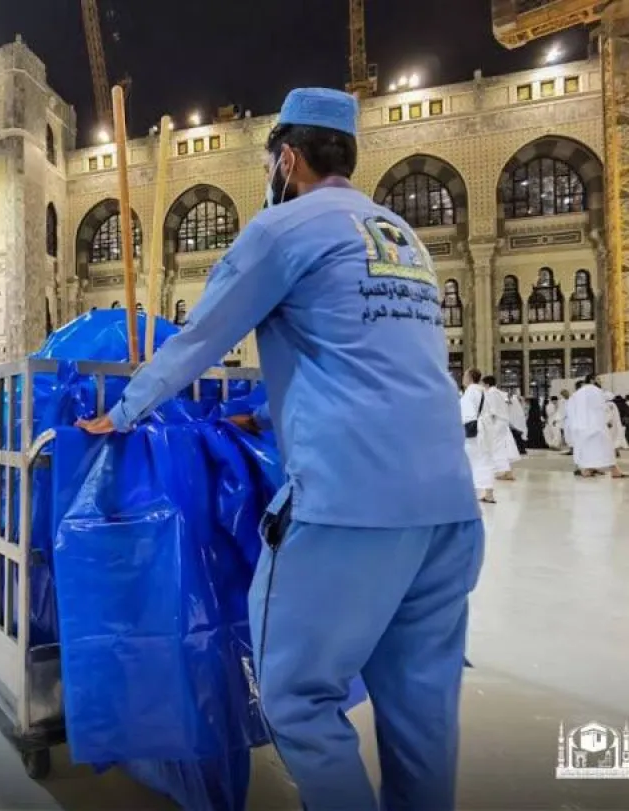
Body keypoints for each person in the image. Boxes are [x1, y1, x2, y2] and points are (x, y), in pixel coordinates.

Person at [74, 89, 484, 811]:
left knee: (295, 697)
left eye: (271, 161)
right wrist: (268, 413)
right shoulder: (402, 238)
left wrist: (125, 409)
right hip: (449, 511)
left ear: (287, 158)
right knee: (423, 713)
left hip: (348, 505)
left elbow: (201, 337)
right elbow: (369, 358)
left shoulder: (283, 228)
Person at [566, 377, 628, 478]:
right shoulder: (594, 390)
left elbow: (571, 411)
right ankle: (614, 471)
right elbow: (602, 405)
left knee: (585, 449)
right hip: (596, 426)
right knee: (605, 448)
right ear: (591, 381)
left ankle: (586, 469)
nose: (600, 381)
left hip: (581, 427)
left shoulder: (576, 394)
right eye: (598, 379)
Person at [460, 369, 497, 502]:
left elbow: (467, 414)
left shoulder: (470, 393)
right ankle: (489, 492)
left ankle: (471, 493)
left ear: (469, 377)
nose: (463, 378)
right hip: (485, 430)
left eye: (464, 375)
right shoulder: (483, 391)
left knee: (471, 461)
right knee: (485, 460)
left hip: (473, 431)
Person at [481, 376, 519, 481]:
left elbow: (492, 411)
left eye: (483, 384)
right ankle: (507, 472)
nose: (482, 386)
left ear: (487, 385)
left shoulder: (491, 393)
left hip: (497, 422)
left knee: (497, 446)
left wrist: (488, 424)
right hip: (503, 422)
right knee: (503, 446)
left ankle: (504, 471)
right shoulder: (499, 393)